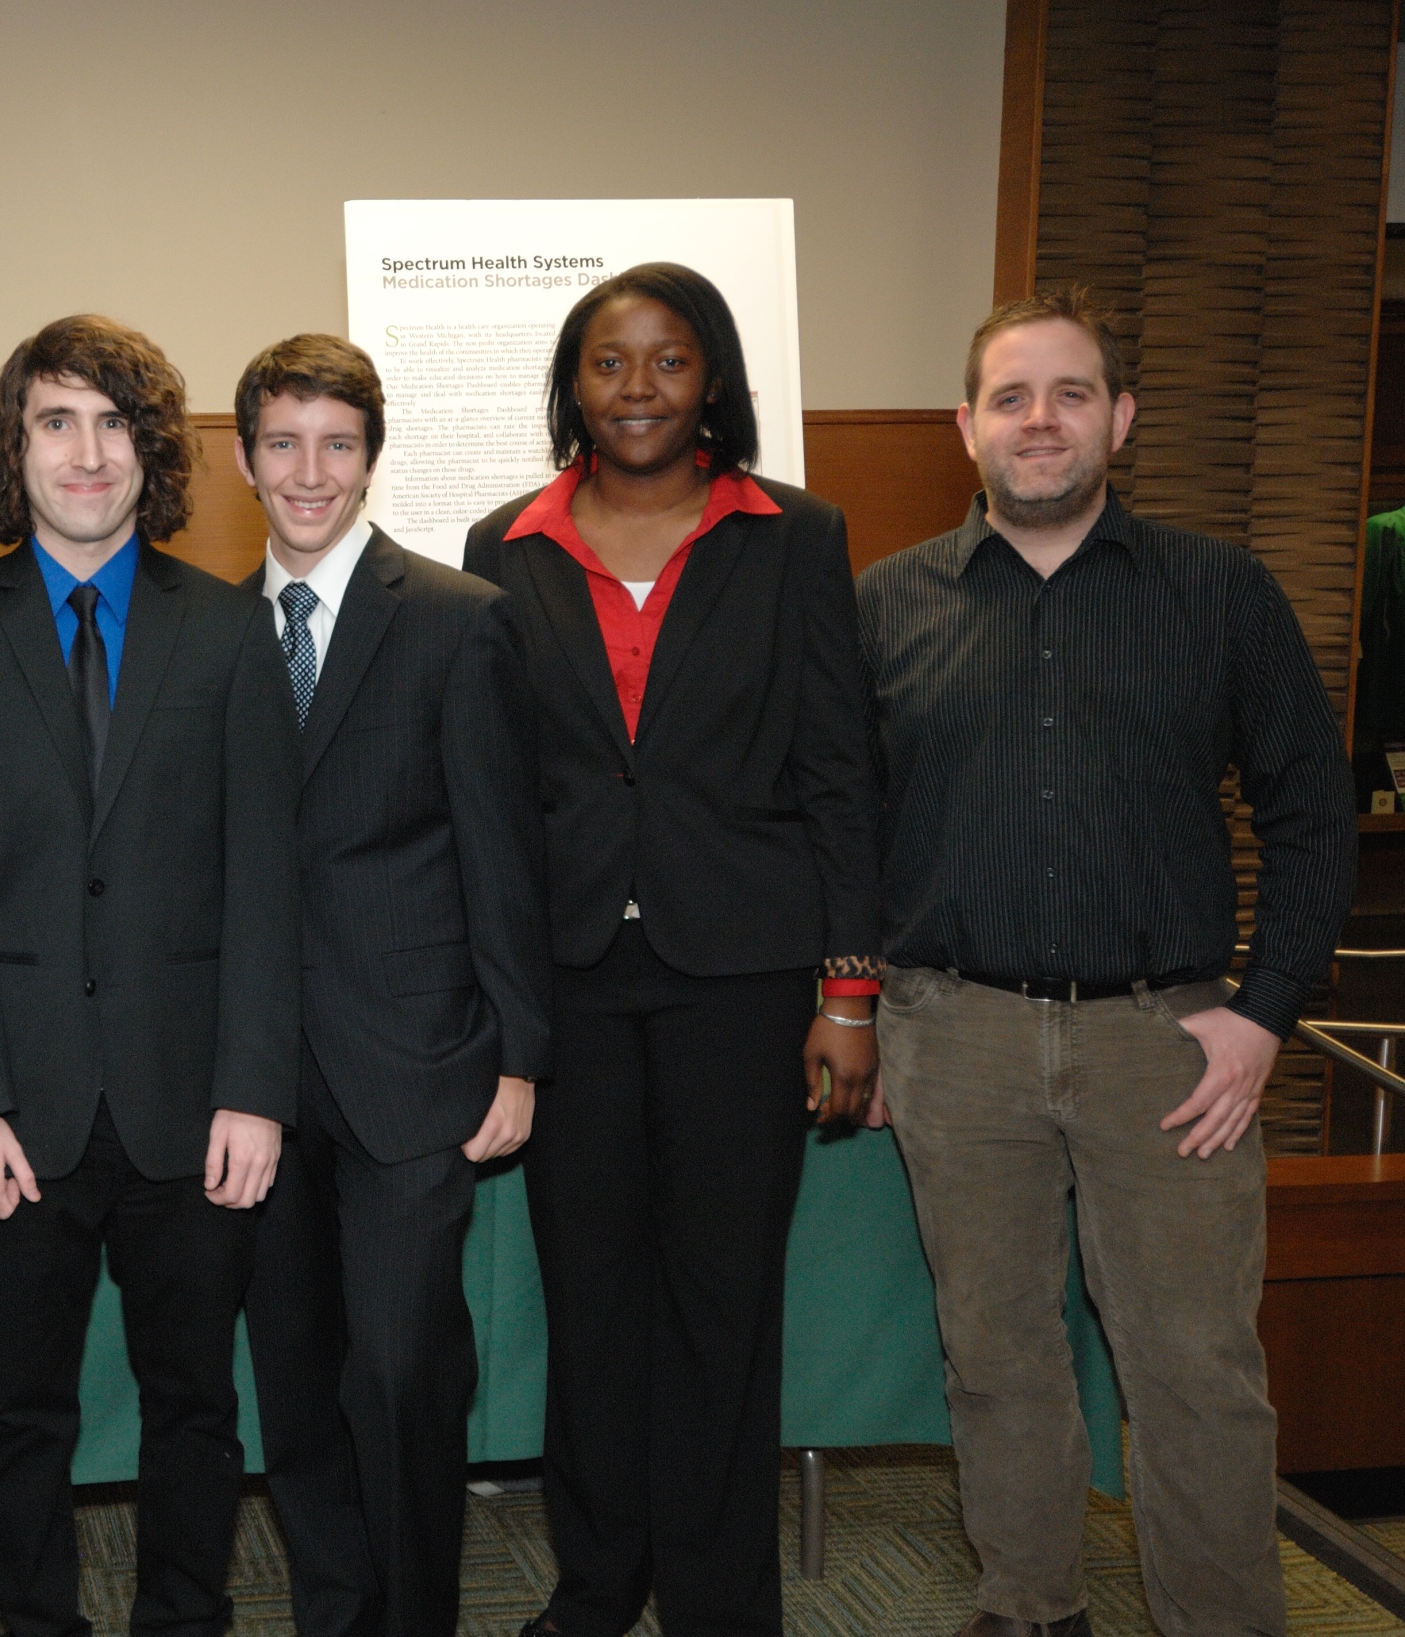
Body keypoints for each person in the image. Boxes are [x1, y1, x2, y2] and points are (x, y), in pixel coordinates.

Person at [858, 287, 1354, 1637]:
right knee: (996, 1352)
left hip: (1172, 1047)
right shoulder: (885, 604)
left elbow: (1314, 813)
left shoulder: (1222, 592)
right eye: (1011, 397)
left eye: (1071, 393)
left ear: (1121, 419)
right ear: (967, 426)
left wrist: (1264, 1012)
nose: (1041, 420)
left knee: (1195, 1365)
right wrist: (861, 1011)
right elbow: (842, 830)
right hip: (954, 1037)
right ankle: (1031, 1604)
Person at [462, 262, 883, 1637]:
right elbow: (491, 786)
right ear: (571, 383)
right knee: (589, 1301)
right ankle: (597, 1586)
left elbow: (841, 774)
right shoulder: (503, 545)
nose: (637, 387)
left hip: (741, 979)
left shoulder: (795, 535)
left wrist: (849, 989)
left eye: (669, 359)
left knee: (722, 1303)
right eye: (608, 361)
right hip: (570, 979)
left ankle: (718, 1601)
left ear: (714, 381)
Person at [0, 314, 300, 1637]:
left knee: (195, 1405)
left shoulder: (229, 635)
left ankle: (185, 1617)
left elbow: (265, 884)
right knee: (22, 1411)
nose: (87, 452)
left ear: (152, 450)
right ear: (15, 448)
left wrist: (256, 1087)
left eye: (116, 423)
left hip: (195, 1110)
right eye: (56, 421)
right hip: (14, 1114)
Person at [229, 334, 552, 1637]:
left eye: (338, 444)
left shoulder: (457, 620)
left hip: (415, 1064)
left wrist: (519, 1054)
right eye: (284, 443)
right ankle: (335, 1610)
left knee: (404, 1365)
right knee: (296, 1374)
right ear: (246, 459)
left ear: (373, 457)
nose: (310, 472)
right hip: (258, 1076)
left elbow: (502, 851)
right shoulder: (210, 633)